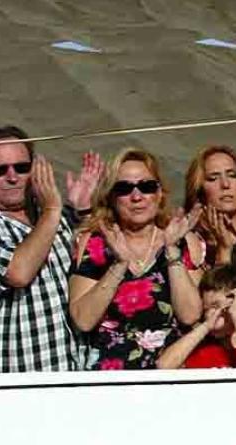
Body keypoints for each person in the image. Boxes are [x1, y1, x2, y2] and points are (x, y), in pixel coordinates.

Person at [69, 148, 203, 370]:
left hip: (170, 372)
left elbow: (190, 315)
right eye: (124, 189)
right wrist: (119, 265)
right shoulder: (94, 243)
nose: (137, 197)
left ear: (160, 194)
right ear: (111, 197)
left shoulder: (182, 241)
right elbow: (83, 320)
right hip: (112, 374)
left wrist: (172, 252)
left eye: (147, 186)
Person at [0, 126, 101, 372]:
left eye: (22, 167)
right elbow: (17, 272)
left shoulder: (56, 217)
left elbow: (97, 263)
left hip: (73, 371)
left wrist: (84, 211)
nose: (13, 177)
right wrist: (52, 210)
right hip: (16, 377)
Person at [157, 265, 236, 369]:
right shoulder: (200, 347)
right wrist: (206, 326)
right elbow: (164, 366)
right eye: (206, 309)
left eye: (215, 305)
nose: (209, 314)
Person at [183, 145, 236, 268]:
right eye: (213, 179)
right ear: (200, 190)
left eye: (232, 175)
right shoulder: (195, 244)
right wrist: (223, 249)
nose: (225, 184)